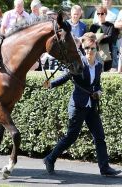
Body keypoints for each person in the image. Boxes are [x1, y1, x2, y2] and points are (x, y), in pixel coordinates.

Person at [43, 32, 121, 177]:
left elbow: (97, 85)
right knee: (71, 137)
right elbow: (66, 77)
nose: (89, 51)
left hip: (91, 106)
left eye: (92, 48)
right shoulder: (79, 64)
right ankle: (50, 158)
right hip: (78, 106)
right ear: (83, 49)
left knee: (100, 137)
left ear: (97, 49)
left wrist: (99, 92)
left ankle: (105, 168)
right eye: (86, 48)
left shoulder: (98, 66)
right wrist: (50, 84)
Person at [93, 0, 119, 72]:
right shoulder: (93, 26)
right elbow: (90, 38)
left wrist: (97, 38)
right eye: (98, 13)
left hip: (107, 52)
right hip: (95, 52)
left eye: (102, 13)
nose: (100, 15)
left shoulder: (110, 26)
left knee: (106, 71)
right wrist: (103, 36)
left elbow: (110, 38)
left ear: (105, 14)